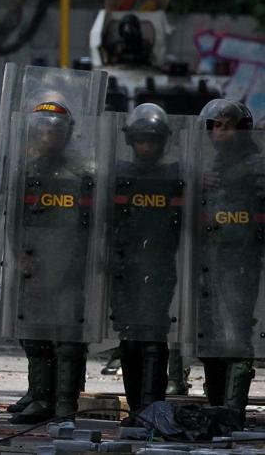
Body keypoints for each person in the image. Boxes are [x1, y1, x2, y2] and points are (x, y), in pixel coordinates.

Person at [7, 101, 94, 425]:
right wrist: (22, 256)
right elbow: (14, 221)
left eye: (54, 130)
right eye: (41, 129)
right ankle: (40, 398)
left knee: (69, 339)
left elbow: (93, 224)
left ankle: (65, 403)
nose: (47, 136)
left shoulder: (83, 174)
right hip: (37, 267)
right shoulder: (26, 173)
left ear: (66, 134)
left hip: (71, 266)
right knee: (35, 335)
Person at [105, 103, 185, 423]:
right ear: (131, 141)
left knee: (153, 335)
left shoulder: (177, 176)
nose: (147, 146)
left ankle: (152, 409)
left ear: (163, 142)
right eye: (141, 140)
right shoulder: (118, 174)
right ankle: (137, 406)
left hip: (160, 265)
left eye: (153, 140)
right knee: (129, 336)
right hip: (123, 267)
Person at [191, 99, 262, 431]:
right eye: (215, 126)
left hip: (241, 260)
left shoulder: (256, 166)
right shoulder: (209, 167)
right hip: (209, 261)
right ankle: (217, 407)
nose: (220, 133)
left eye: (227, 126)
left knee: (235, 336)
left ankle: (233, 409)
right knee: (210, 338)